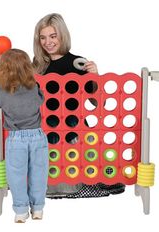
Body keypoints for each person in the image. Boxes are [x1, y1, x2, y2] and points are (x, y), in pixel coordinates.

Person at [32, 13, 125, 199]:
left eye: (53, 36)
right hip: (44, 129)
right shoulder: (37, 65)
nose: (48, 42)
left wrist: (95, 76)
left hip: (72, 129)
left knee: (75, 170)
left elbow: (99, 104)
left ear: (62, 36)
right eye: (43, 37)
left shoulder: (77, 63)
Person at [0, 49, 49, 223]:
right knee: (39, 174)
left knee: (16, 175)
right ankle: (38, 209)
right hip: (38, 136)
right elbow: (41, 99)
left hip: (16, 138)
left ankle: (21, 211)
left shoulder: (1, 91)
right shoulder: (34, 88)